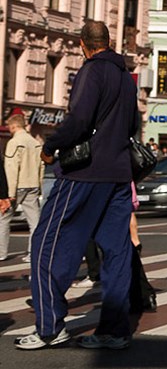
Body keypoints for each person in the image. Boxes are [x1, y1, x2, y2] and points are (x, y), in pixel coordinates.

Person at [16, 21, 139, 351]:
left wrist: (50, 146)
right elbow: (133, 125)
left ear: (84, 45)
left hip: (84, 172)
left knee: (47, 243)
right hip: (117, 173)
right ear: (108, 42)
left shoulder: (92, 71)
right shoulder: (127, 78)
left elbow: (79, 119)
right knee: (116, 251)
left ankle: (49, 327)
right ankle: (114, 330)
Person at [1, 112, 44, 263]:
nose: (8, 129)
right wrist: (39, 186)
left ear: (14, 126)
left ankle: (1, 252)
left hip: (17, 186)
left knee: (4, 218)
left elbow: (11, 168)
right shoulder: (35, 142)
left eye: (9, 127)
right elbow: (41, 167)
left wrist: (9, 192)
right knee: (35, 222)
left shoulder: (14, 143)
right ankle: (33, 253)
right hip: (32, 185)